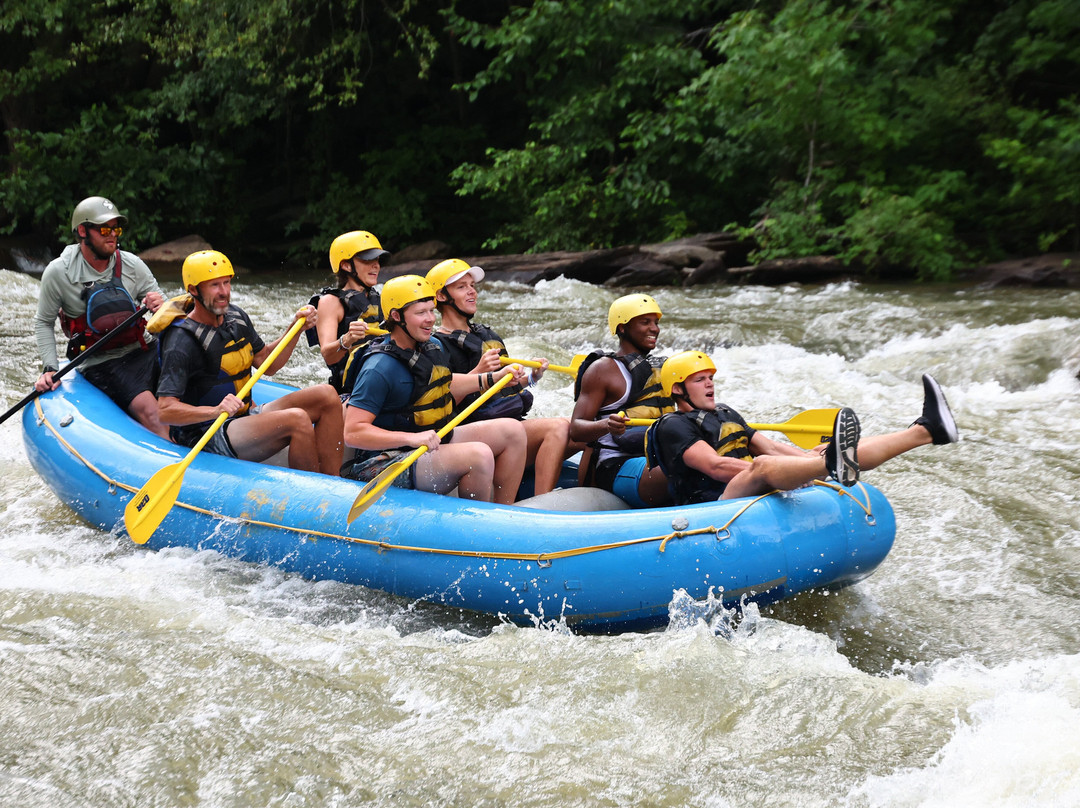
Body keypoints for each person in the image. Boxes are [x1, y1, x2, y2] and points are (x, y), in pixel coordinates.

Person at [646, 350, 960, 504]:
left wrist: (808, 459)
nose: (710, 384)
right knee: (766, 465)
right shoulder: (672, 425)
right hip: (712, 506)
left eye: (711, 378)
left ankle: (926, 431)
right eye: (700, 380)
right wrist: (803, 467)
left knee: (822, 451)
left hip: (751, 487)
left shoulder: (726, 412)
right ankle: (831, 464)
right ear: (677, 389)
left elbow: (770, 447)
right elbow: (715, 467)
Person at [342, 275, 528, 504]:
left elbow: (444, 383)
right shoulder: (378, 368)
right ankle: (477, 526)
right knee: (478, 455)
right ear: (396, 316)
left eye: (431, 311)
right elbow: (353, 433)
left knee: (513, 431)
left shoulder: (432, 345)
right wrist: (411, 438)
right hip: (387, 460)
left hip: (430, 440)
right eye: (421, 313)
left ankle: (506, 511)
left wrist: (491, 378)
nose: (430, 319)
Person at [155, 250, 343, 475]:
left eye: (226, 283)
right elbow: (165, 410)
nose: (224, 292)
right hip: (206, 432)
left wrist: (296, 329)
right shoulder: (181, 341)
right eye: (214, 285)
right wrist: (214, 411)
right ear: (194, 290)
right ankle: (315, 494)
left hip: (242, 418)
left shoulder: (236, 317)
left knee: (327, 395)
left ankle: (334, 482)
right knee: (297, 419)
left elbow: (268, 363)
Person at [425, 258, 584, 495]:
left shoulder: (488, 335)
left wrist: (530, 378)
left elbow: (506, 387)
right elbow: (442, 404)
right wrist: (479, 372)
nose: (472, 292)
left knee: (584, 434)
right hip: (474, 434)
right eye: (462, 287)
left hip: (511, 427)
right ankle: (543, 502)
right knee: (558, 427)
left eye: (472, 286)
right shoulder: (436, 346)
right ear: (441, 296)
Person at [33, 196, 168, 438]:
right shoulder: (58, 272)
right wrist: (49, 368)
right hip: (102, 362)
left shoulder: (132, 264)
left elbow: (168, 312)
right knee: (153, 413)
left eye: (116, 228)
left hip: (145, 348)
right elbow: (44, 321)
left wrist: (161, 306)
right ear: (83, 231)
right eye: (105, 229)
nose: (113, 235)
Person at [569, 293, 675, 507]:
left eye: (656, 322)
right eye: (645, 322)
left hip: (654, 456)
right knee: (682, 468)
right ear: (622, 328)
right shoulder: (603, 369)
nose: (655, 328)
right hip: (616, 464)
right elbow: (576, 429)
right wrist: (606, 425)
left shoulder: (666, 368)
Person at [310, 231, 390, 394]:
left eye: (377, 259)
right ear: (346, 265)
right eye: (368, 260)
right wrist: (346, 340)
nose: (376, 265)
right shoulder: (331, 302)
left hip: (384, 381)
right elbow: (328, 356)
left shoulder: (382, 298)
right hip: (351, 390)